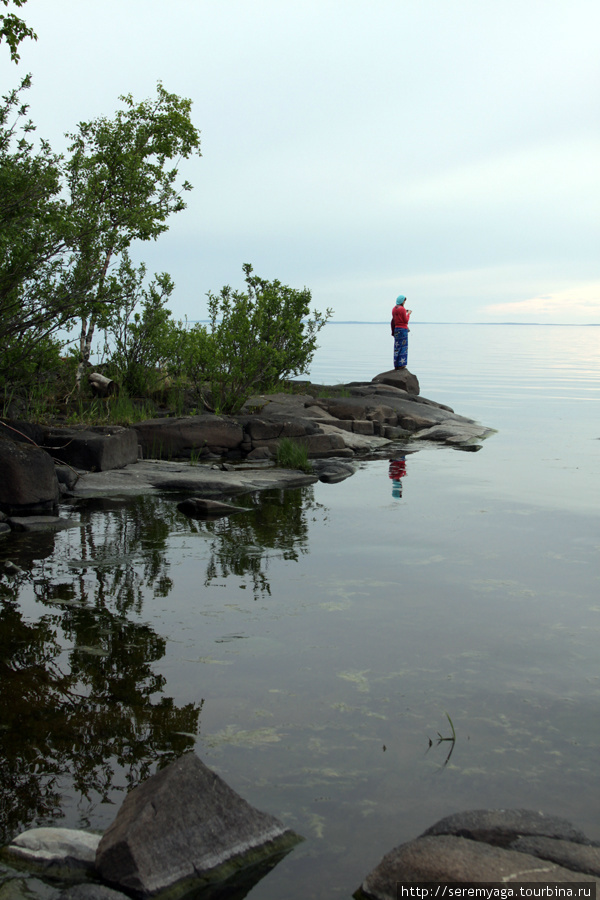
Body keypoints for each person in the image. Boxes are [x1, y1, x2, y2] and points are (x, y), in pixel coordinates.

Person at [391, 295, 412, 369]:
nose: (404, 302)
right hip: (403, 329)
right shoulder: (402, 309)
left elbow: (395, 319)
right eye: (404, 300)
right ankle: (402, 364)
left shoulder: (394, 309)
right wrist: (408, 314)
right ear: (402, 301)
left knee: (397, 347)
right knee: (403, 347)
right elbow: (405, 320)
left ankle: (396, 364)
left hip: (396, 329)